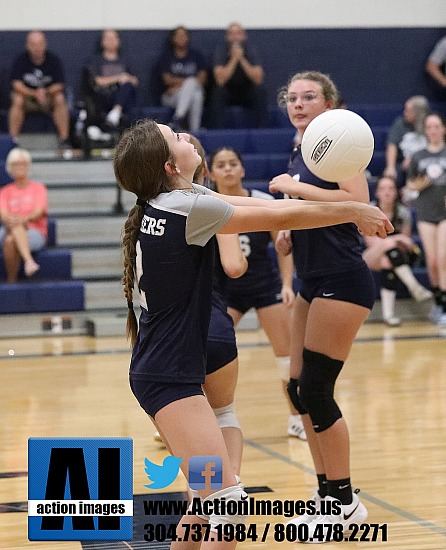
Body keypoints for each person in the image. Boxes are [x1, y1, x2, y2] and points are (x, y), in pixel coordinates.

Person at [113, 118, 391, 547]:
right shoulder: (187, 208)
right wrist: (354, 210)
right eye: (177, 137)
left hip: (166, 373)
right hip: (169, 381)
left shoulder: (177, 200)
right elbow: (281, 214)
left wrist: (349, 209)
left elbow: (275, 211)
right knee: (228, 509)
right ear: (170, 166)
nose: (187, 137)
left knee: (206, 506)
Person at [268, 70, 388, 538]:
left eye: (309, 97)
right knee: (298, 390)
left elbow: (356, 204)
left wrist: (294, 192)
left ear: (329, 102)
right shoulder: (301, 148)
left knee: (317, 390)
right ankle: (327, 497)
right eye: (292, 98)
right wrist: (287, 228)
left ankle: (344, 502)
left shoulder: (341, 144)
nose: (298, 104)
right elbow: (315, 211)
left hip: (342, 279)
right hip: (309, 278)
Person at [154, 135, 248, 481]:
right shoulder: (206, 207)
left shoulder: (151, 208)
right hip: (212, 324)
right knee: (224, 413)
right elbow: (234, 266)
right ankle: (230, 483)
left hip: (168, 338)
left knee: (186, 430)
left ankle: (207, 492)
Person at [208, 146, 306, 441]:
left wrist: (287, 284)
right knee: (209, 355)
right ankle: (199, 418)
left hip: (265, 287)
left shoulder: (262, 202)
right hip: (227, 291)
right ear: (211, 174)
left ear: (242, 170)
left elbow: (283, 247)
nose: (227, 169)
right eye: (221, 165)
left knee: (286, 358)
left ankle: (297, 418)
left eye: (233, 163)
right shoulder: (206, 205)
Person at [362, 175, 433, 326]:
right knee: (388, 246)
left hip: (392, 257)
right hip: (371, 256)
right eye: (382, 188)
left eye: (391, 188)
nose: (387, 192)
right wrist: (395, 238)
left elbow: (405, 245)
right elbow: (372, 243)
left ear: (396, 192)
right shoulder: (370, 211)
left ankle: (389, 316)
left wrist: (396, 241)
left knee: (390, 262)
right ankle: (414, 287)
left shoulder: (403, 214)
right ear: (377, 193)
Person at [406, 112, 446, 326]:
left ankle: (445, 305)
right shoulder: (418, 156)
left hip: (444, 212)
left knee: (443, 257)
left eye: (436, 126)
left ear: (443, 128)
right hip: (425, 212)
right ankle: (438, 302)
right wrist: (420, 184)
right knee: (431, 261)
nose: (433, 130)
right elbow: (410, 184)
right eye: (429, 127)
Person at [8, 31, 70, 148]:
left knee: (60, 98)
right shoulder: (20, 60)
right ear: (27, 45)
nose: (37, 48)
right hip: (28, 98)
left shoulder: (53, 60)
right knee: (17, 99)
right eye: (33, 44)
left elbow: (59, 85)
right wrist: (34, 93)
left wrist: (45, 92)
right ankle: (13, 141)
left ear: (45, 44)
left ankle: (64, 140)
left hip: (47, 98)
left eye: (39, 44)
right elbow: (16, 84)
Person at [208, 22, 268, 129]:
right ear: (227, 37)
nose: (235, 37)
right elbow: (220, 80)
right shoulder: (221, 50)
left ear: (244, 36)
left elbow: (258, 79)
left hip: (246, 90)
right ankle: (218, 131)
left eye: (238, 33)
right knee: (217, 91)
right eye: (232, 34)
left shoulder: (250, 50)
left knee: (260, 90)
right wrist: (234, 59)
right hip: (228, 91)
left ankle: (261, 130)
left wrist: (242, 59)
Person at [0, 147, 47, 283]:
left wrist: (22, 219)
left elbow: (39, 211)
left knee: (10, 240)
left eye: (22, 163)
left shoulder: (38, 188)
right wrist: (12, 219)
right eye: (16, 164)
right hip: (7, 227)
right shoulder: (5, 191)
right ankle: (29, 262)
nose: (19, 167)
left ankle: (11, 280)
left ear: (28, 165)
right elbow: (2, 212)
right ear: (10, 168)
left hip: (34, 231)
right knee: (13, 229)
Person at [82, 29, 139, 130]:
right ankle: (114, 114)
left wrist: (126, 79)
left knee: (127, 86)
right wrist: (118, 78)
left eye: (114, 38)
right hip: (104, 96)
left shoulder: (126, 60)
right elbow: (98, 81)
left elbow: (135, 81)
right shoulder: (96, 60)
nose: (111, 41)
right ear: (102, 41)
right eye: (108, 38)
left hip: (124, 97)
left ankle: (116, 112)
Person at [155, 26, 207, 132]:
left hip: (184, 92)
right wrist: (189, 84)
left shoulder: (196, 55)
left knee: (197, 95)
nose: (181, 38)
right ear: (173, 38)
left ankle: (178, 119)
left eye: (184, 35)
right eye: (178, 35)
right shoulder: (167, 57)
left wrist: (183, 85)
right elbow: (167, 80)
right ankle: (194, 131)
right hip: (171, 96)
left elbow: (202, 80)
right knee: (194, 87)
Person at [383, 95, 430, 188]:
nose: (405, 113)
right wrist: (390, 167)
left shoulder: (429, 124)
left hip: (426, 161)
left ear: (418, 112)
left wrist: (414, 158)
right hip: (403, 163)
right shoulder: (400, 124)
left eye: (408, 111)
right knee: (393, 174)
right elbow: (392, 144)